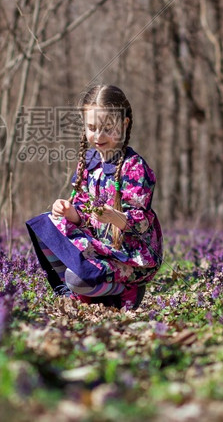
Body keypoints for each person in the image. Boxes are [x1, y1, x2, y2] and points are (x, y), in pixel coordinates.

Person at [25, 85, 163, 310]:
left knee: (78, 278)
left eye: (107, 128)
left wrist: (114, 216)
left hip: (126, 255)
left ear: (124, 124)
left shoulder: (134, 167)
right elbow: (82, 211)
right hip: (96, 246)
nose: (98, 136)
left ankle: (125, 289)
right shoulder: (88, 162)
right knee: (46, 223)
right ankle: (79, 295)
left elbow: (142, 223)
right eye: (92, 127)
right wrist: (71, 213)